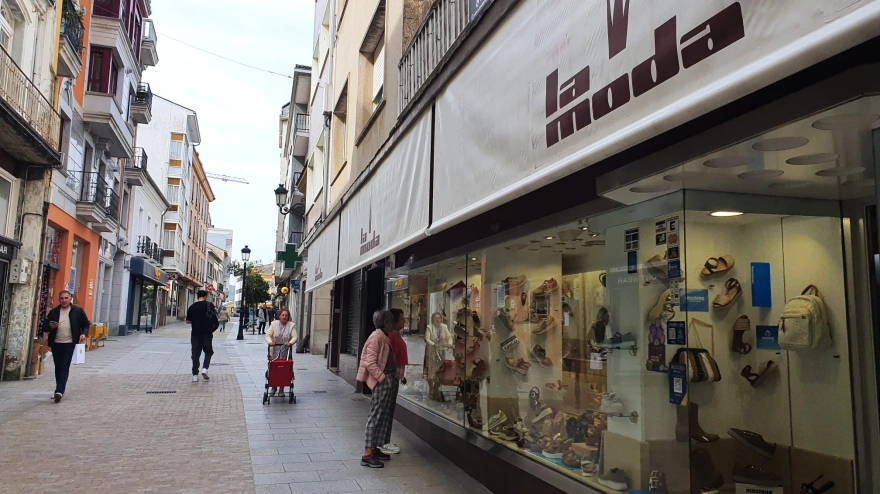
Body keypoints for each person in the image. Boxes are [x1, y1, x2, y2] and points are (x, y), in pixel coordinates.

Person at [357, 310, 397, 468]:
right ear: (385, 323)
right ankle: (367, 453)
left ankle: (374, 448)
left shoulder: (384, 336)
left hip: (387, 379)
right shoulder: (376, 337)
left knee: (384, 415)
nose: (393, 325)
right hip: (382, 381)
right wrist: (382, 378)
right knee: (376, 415)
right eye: (391, 322)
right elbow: (370, 362)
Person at [41, 290, 90, 403]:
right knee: (58, 367)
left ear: (70, 299)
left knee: (64, 366)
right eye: (62, 298)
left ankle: (59, 391)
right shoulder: (54, 312)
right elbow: (45, 326)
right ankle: (59, 389)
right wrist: (51, 326)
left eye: (66, 298)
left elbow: (86, 324)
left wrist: (84, 333)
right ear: (59, 300)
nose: (64, 300)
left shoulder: (77, 311)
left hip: (69, 343)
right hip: (56, 343)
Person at [186, 290, 217, 382]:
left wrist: (195, 320)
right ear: (205, 296)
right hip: (207, 334)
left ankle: (195, 375)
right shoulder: (209, 305)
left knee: (195, 354)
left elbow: (188, 321)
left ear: (197, 296)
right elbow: (214, 319)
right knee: (208, 352)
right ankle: (205, 368)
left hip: (195, 334)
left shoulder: (192, 307)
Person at [265, 308, 296, 396]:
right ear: (279, 316)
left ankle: (281, 389)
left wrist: (290, 343)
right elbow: (268, 335)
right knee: (274, 369)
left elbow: (295, 337)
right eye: (283, 315)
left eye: (286, 315)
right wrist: (270, 342)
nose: (284, 317)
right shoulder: (274, 324)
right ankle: (273, 387)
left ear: (288, 317)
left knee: (283, 370)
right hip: (274, 349)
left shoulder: (291, 325)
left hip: (285, 350)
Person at [424, 312, 453, 401]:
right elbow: (427, 338)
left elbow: (449, 336)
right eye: (436, 318)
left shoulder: (444, 327)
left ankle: (436, 388)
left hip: (441, 353)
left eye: (439, 318)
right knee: (431, 371)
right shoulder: (429, 327)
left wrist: (450, 343)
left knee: (440, 371)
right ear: (432, 319)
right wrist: (434, 344)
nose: (438, 320)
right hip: (431, 353)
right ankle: (431, 388)